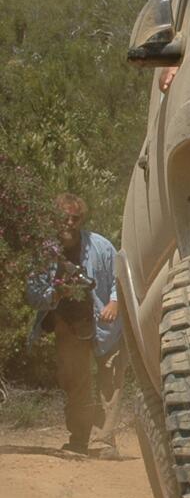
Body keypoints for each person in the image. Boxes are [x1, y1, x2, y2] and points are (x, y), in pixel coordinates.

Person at [25, 193, 124, 458]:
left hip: (107, 324)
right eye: (64, 217)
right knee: (76, 383)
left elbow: (120, 277)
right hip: (68, 326)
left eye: (75, 218)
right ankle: (79, 440)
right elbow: (33, 294)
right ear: (53, 218)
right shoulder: (44, 253)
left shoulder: (101, 246)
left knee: (110, 380)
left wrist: (115, 302)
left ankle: (105, 441)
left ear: (82, 219)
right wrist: (57, 294)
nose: (69, 222)